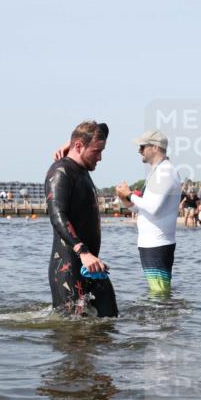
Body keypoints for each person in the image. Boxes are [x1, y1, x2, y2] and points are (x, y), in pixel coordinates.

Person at [44, 121, 117, 317]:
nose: (100, 157)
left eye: (102, 151)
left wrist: (70, 143)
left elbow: (104, 127)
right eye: (96, 151)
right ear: (79, 146)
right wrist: (82, 251)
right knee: (74, 336)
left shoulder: (82, 167)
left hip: (92, 265)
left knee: (110, 321)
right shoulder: (60, 172)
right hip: (69, 268)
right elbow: (57, 215)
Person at [112, 130, 182, 296]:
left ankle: (162, 321)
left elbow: (153, 207)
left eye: (142, 146)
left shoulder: (165, 172)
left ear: (156, 147)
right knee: (157, 292)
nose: (139, 150)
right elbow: (141, 208)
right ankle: (160, 320)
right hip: (150, 243)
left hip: (158, 243)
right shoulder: (157, 172)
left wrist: (129, 194)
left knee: (159, 294)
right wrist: (125, 198)